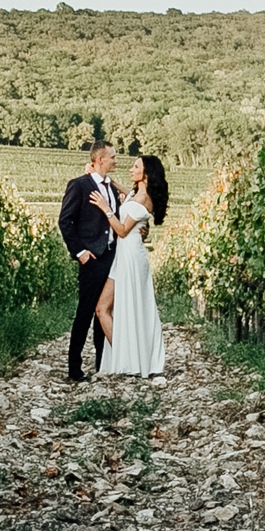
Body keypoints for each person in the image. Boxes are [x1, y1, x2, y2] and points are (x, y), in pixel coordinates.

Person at [95, 153, 167, 378]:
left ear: (146, 174)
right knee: (106, 308)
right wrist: (109, 181)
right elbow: (128, 195)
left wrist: (105, 208)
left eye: (136, 167)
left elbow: (123, 230)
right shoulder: (137, 195)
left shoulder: (143, 199)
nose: (131, 169)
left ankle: (127, 360)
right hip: (124, 255)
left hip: (131, 258)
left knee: (103, 308)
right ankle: (128, 358)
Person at [57, 142, 120, 383]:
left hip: (111, 257)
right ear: (100, 159)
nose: (115, 160)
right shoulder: (79, 185)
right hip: (91, 258)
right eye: (112, 157)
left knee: (103, 311)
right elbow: (65, 221)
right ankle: (74, 369)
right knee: (85, 311)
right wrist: (80, 251)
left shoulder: (112, 188)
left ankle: (102, 363)